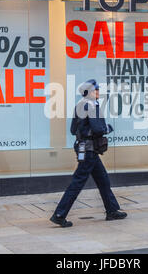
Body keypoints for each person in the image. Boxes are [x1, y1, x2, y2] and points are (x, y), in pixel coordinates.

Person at [50, 79, 127, 227]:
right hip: (90, 150)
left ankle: (112, 210)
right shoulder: (92, 105)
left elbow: (73, 130)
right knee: (77, 182)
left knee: (103, 180)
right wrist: (108, 128)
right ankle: (59, 214)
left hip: (84, 148)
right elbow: (99, 129)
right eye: (96, 90)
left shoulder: (79, 105)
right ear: (90, 92)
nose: (98, 92)